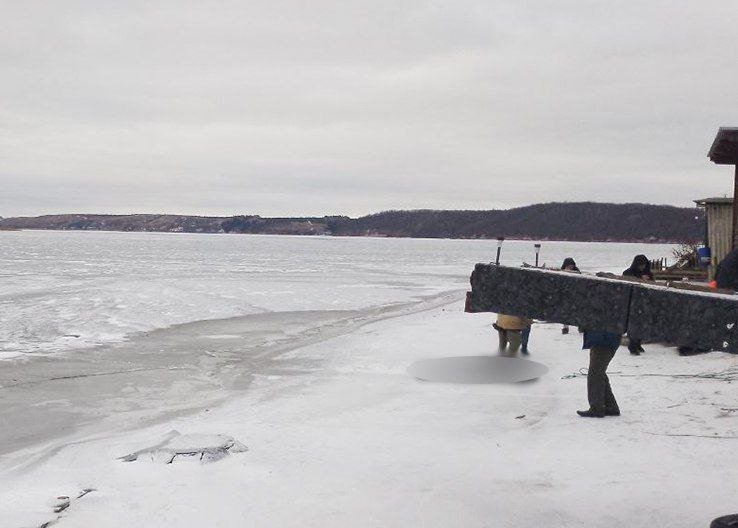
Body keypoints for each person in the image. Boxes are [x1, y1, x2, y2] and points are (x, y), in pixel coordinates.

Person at [578, 329, 621, 418]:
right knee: (598, 373)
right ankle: (610, 406)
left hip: (604, 340)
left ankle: (597, 408)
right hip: (603, 339)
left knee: (595, 374)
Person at [622, 255, 654, 355]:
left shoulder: (648, 273)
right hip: (632, 302)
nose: (642, 267)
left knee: (643, 324)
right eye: (640, 265)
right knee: (633, 325)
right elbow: (625, 284)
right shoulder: (628, 272)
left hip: (645, 302)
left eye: (644, 265)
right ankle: (632, 345)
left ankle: (638, 343)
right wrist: (639, 278)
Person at [560, 258, 581, 335]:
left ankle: (580, 326)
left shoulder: (577, 272)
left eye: (571, 265)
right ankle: (565, 327)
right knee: (566, 312)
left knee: (578, 312)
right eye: (568, 266)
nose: (570, 267)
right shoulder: (561, 272)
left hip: (575, 295)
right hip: (566, 295)